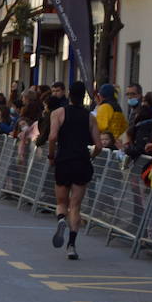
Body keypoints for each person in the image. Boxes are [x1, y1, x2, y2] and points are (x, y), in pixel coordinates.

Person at [47, 81, 101, 260]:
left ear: (69, 94)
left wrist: (51, 155)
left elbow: (53, 136)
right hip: (81, 161)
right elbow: (99, 145)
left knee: (61, 202)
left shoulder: (58, 113)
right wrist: (91, 156)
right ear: (83, 96)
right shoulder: (90, 117)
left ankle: (61, 219)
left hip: (63, 160)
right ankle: (71, 245)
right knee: (75, 206)